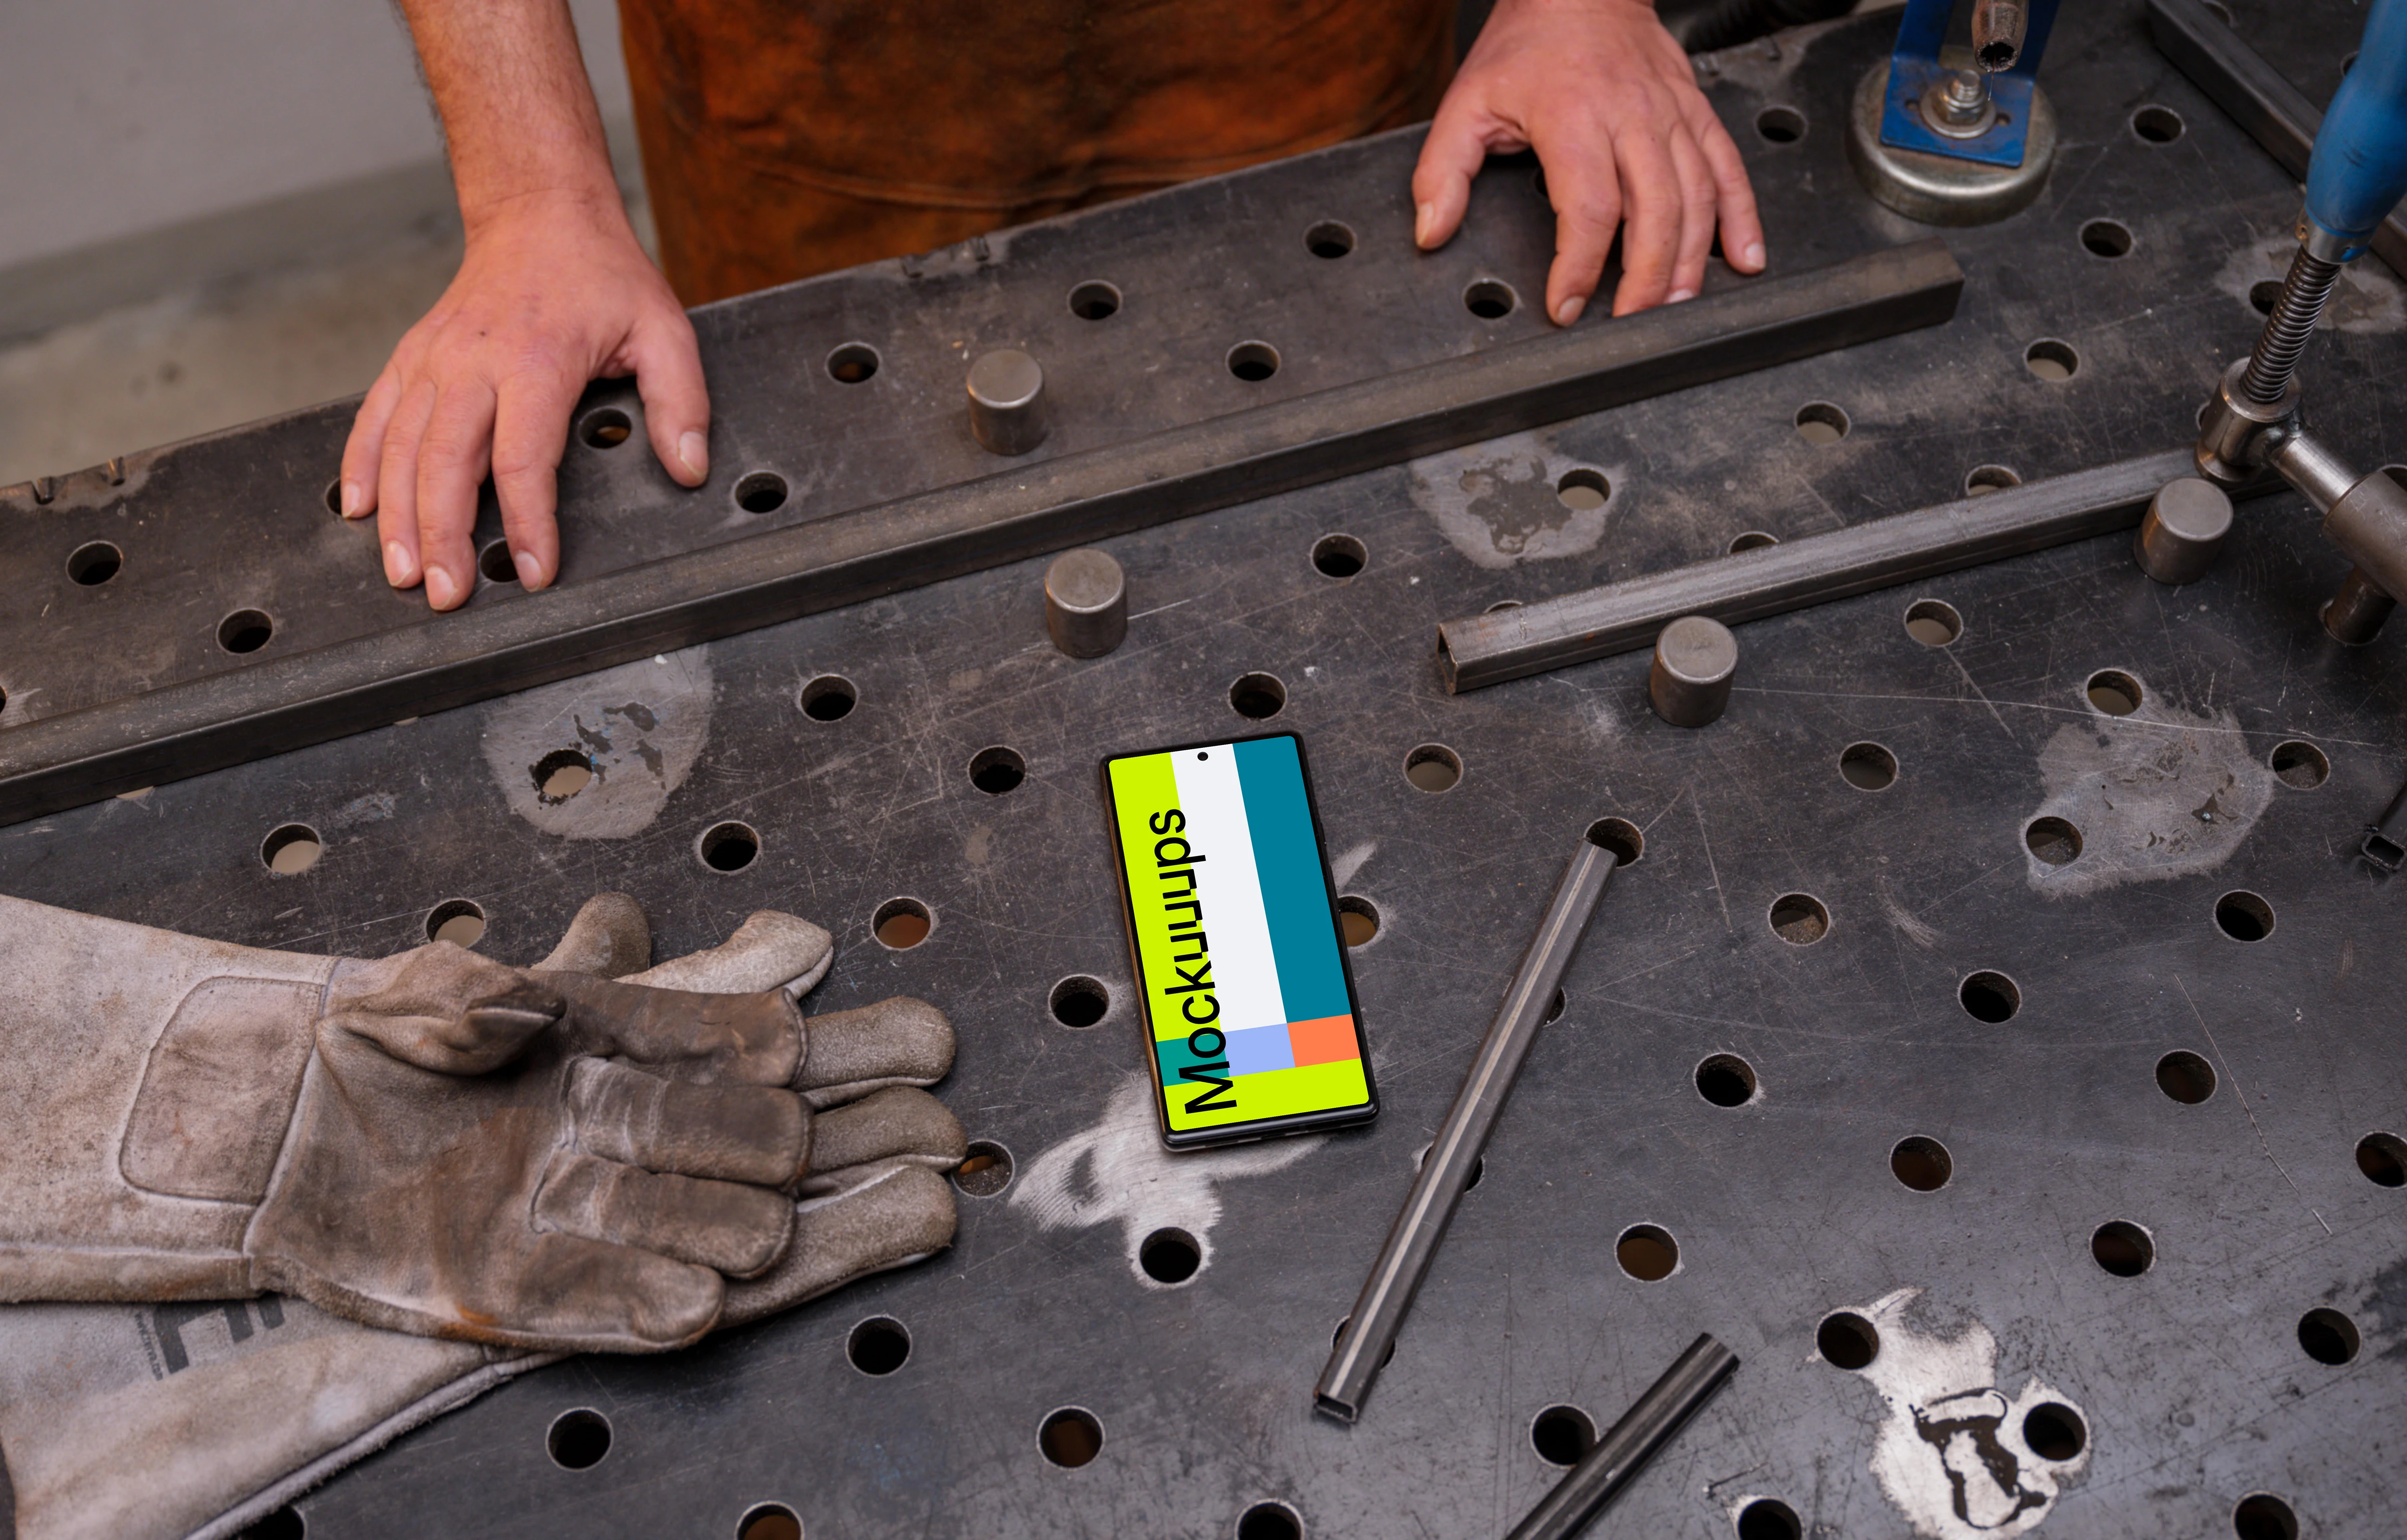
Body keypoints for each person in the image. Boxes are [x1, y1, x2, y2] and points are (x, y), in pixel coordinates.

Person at [341, 0, 1766, 610]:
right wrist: (535, 190)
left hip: (1287, 48)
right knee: (837, 531)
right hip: (821, 77)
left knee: (1320, 513)